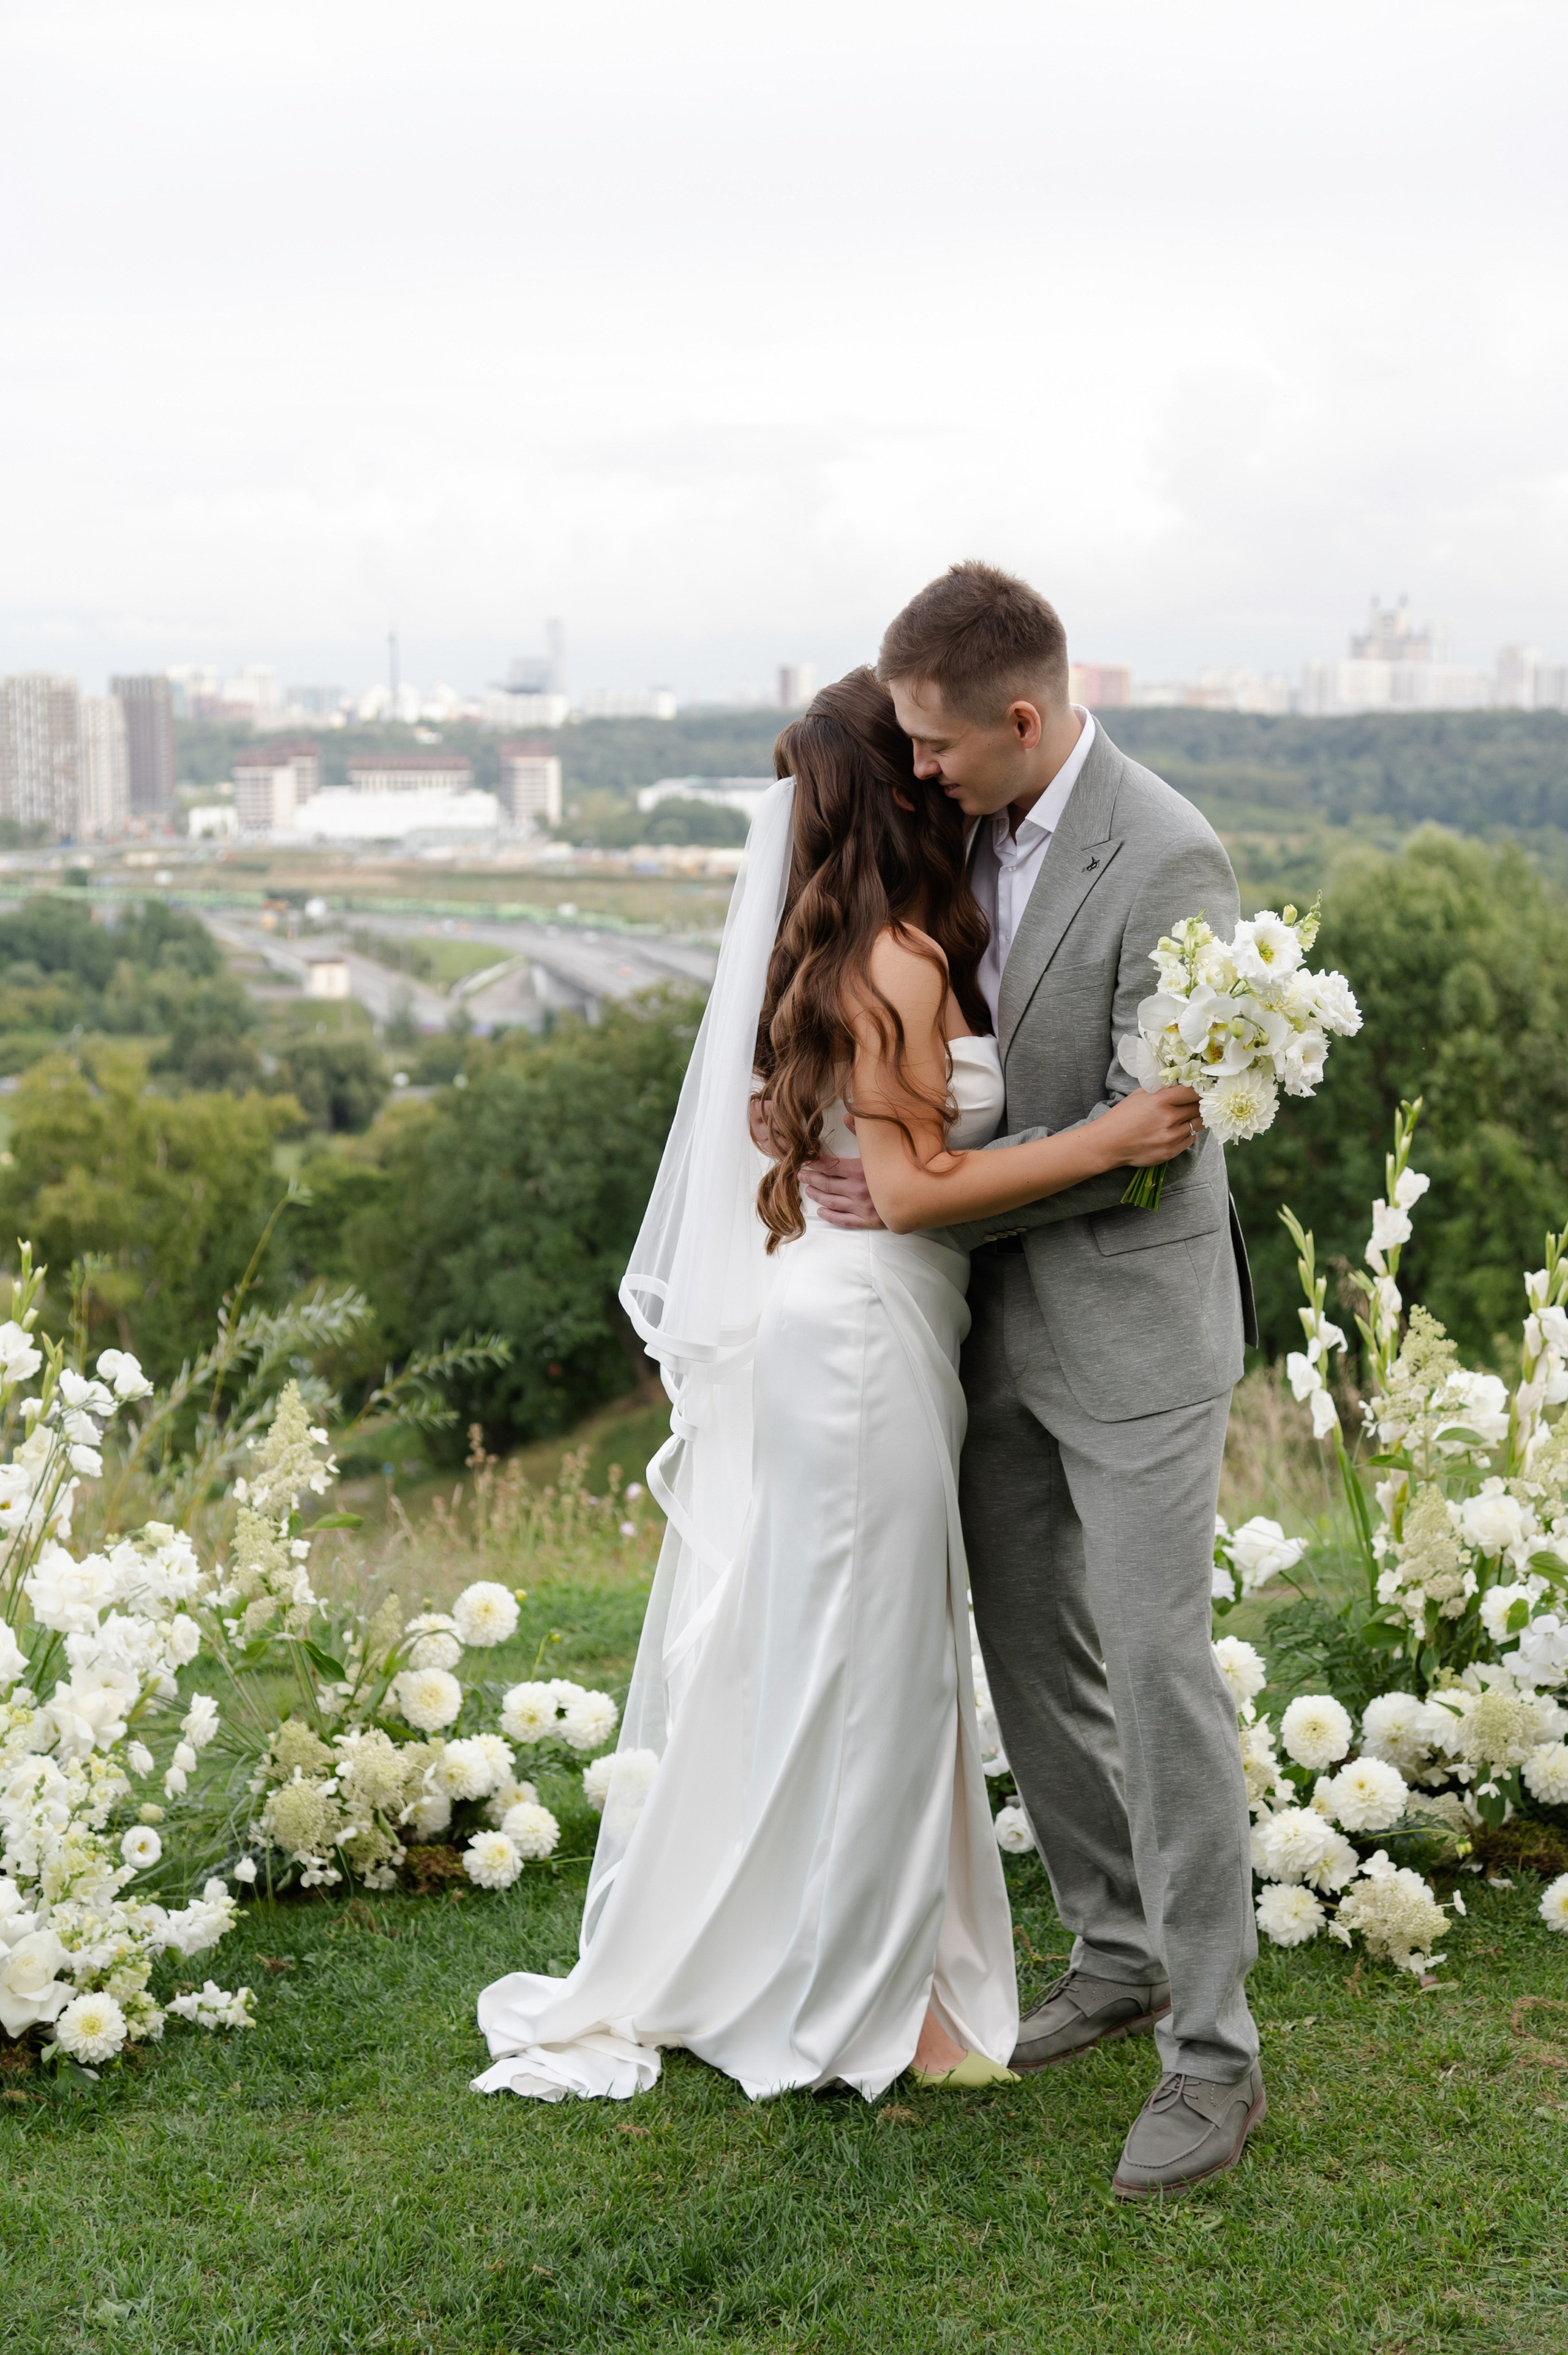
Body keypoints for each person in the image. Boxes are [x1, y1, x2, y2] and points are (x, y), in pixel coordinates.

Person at [472, 667, 1200, 2107]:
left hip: (863, 1316)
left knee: (851, 1656)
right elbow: (911, 1190)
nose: (942, 774)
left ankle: (856, 1963)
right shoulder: (898, 959)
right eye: (918, 757)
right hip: (863, 1325)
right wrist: (1110, 1137)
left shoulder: (844, 945)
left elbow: (866, 1151)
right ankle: (879, 2008)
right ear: (895, 787)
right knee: (881, 1668)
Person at [802, 563, 1266, 2201]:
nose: (916, 767)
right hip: (986, 1325)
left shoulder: (1170, 853)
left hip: (1135, 1332)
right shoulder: (955, 828)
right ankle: (1115, 1947)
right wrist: (899, 1171)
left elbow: (1156, 1141)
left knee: (1155, 1664)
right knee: (1029, 1648)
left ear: (1019, 716)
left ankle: (1213, 2056)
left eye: (935, 742)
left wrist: (925, 1187)